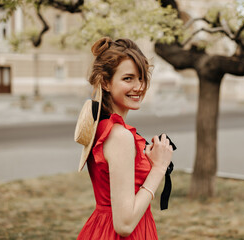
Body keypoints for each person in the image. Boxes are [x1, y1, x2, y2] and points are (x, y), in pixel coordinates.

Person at [74, 37, 173, 239]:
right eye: (128, 78)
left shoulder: (103, 127)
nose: (139, 87)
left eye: (141, 78)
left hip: (101, 228)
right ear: (106, 83)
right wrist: (159, 168)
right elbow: (124, 224)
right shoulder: (120, 136)